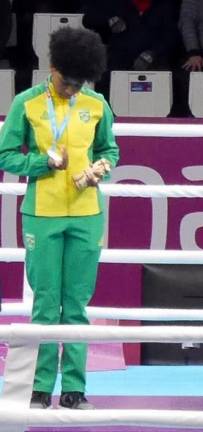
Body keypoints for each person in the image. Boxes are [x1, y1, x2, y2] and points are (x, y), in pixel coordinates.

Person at [0, 27, 119, 410]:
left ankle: (74, 389)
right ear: (53, 68)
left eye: (79, 83)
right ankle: (39, 386)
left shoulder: (97, 103)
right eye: (67, 82)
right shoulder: (27, 103)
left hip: (86, 214)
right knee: (46, 305)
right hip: (42, 214)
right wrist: (41, 162)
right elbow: (5, 157)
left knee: (78, 305)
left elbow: (110, 149)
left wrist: (102, 167)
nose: (72, 90)